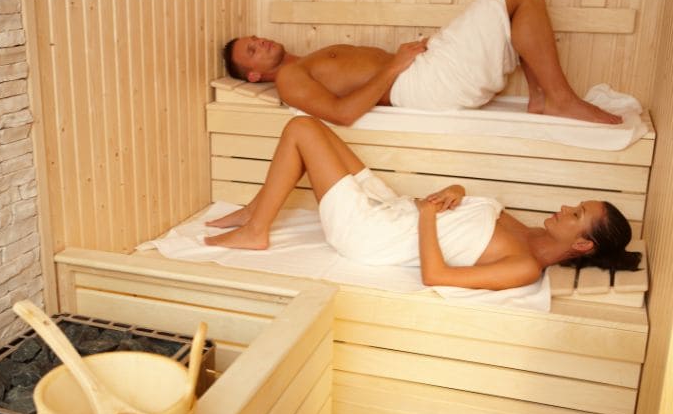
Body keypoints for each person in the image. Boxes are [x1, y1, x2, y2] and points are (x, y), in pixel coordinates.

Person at [204, 116, 640, 291]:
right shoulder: (527, 231)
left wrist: (429, 216)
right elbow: (472, 214)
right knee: (319, 130)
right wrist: (456, 190)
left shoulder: (525, 265)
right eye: (575, 204)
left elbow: (437, 275)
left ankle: (257, 229)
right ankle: (256, 208)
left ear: (582, 245)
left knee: (302, 128)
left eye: (576, 215)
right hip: (394, 208)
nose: (565, 209)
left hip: (370, 234)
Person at [224, 0, 622, 126]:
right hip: (417, 85)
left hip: (421, 70)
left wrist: (408, 56)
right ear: (255, 76)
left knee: (519, 2)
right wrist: (395, 66)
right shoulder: (291, 80)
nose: (260, 42)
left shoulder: (306, 61)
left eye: (255, 39)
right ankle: (561, 99)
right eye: (252, 51)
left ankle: (542, 98)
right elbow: (343, 114)